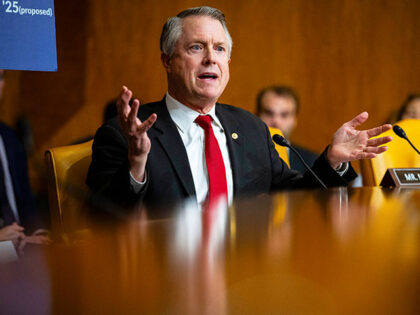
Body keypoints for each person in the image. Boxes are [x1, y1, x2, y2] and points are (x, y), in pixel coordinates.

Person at [86, 6, 392, 216]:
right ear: (167, 61)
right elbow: (104, 217)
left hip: (245, 272)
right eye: (196, 47)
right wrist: (137, 163)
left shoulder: (251, 128)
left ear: (228, 64)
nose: (210, 58)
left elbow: (295, 196)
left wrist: (332, 161)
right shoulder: (123, 133)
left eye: (220, 49)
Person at [0, 70, 50, 252]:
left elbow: (26, 200)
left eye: (1, 77)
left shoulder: (9, 137)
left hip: (21, 245)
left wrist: (38, 232)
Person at [256, 85, 318, 174]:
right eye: (268, 113)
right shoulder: (241, 157)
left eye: (284, 115)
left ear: (295, 120)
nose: (276, 121)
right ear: (256, 115)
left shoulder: (311, 162)